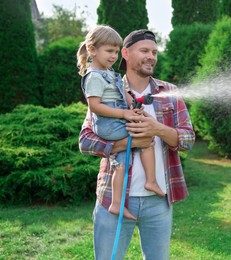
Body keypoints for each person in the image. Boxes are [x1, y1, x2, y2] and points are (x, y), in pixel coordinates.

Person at [78, 28, 195, 260]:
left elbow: (188, 139)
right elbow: (86, 141)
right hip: (114, 198)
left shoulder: (169, 92)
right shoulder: (108, 88)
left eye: (154, 51)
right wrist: (125, 144)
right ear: (125, 53)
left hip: (158, 201)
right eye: (144, 50)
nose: (151, 56)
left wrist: (157, 129)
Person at [77, 25, 165, 222]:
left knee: (120, 164)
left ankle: (116, 204)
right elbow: (95, 107)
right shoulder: (93, 76)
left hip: (116, 119)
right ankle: (151, 181)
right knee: (145, 137)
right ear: (92, 50)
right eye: (109, 51)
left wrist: (131, 105)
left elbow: (122, 93)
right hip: (108, 125)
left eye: (116, 52)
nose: (113, 56)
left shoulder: (109, 74)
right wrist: (125, 113)